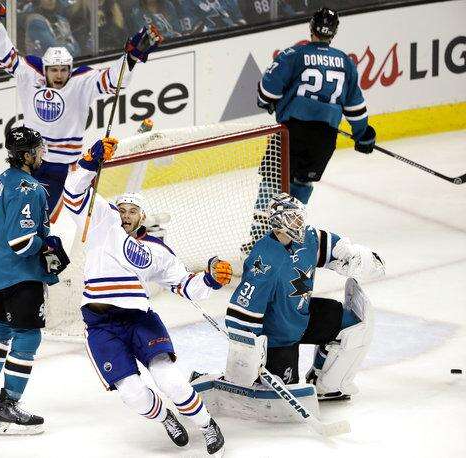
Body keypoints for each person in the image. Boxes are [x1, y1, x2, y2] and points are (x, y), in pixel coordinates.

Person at [62, 137, 230, 455]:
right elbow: (73, 192)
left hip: (140, 319)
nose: (126, 214)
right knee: (132, 393)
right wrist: (89, 162)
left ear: (142, 217)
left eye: (133, 211)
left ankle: (206, 424)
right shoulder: (101, 222)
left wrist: (211, 279)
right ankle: (166, 418)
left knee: (171, 381)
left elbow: (186, 285)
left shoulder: (156, 250)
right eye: (122, 209)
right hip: (101, 326)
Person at [0, 0, 162, 222]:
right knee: (20, 214)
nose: (59, 75)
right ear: (45, 69)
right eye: (54, 70)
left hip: (64, 168)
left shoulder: (81, 82)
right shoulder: (30, 74)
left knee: (48, 217)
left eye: (64, 70)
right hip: (30, 160)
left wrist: (130, 58)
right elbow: (4, 56)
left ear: (70, 69)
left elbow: (113, 82)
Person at [225, 193, 385, 401]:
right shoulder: (264, 260)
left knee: (353, 324)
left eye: (300, 217)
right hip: (278, 336)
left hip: (302, 315)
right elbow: (243, 313)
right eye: (293, 218)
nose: (300, 222)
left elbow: (338, 249)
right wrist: (250, 355)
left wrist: (359, 258)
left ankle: (326, 385)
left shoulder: (309, 237)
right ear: (278, 223)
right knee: (284, 395)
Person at [0, 126, 70, 434]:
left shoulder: (5, 178)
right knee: (27, 336)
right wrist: (48, 245)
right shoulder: (29, 189)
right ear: (27, 155)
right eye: (38, 150)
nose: (42, 154)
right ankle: (9, 406)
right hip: (19, 274)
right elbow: (21, 242)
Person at [257, 7, 376, 205]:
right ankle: (290, 223)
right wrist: (363, 134)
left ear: (311, 27)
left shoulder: (294, 54)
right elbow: (355, 108)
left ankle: (262, 223)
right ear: (334, 32)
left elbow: (267, 92)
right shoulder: (346, 63)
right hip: (324, 137)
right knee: (302, 183)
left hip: (291, 131)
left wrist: (267, 102)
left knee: (273, 177)